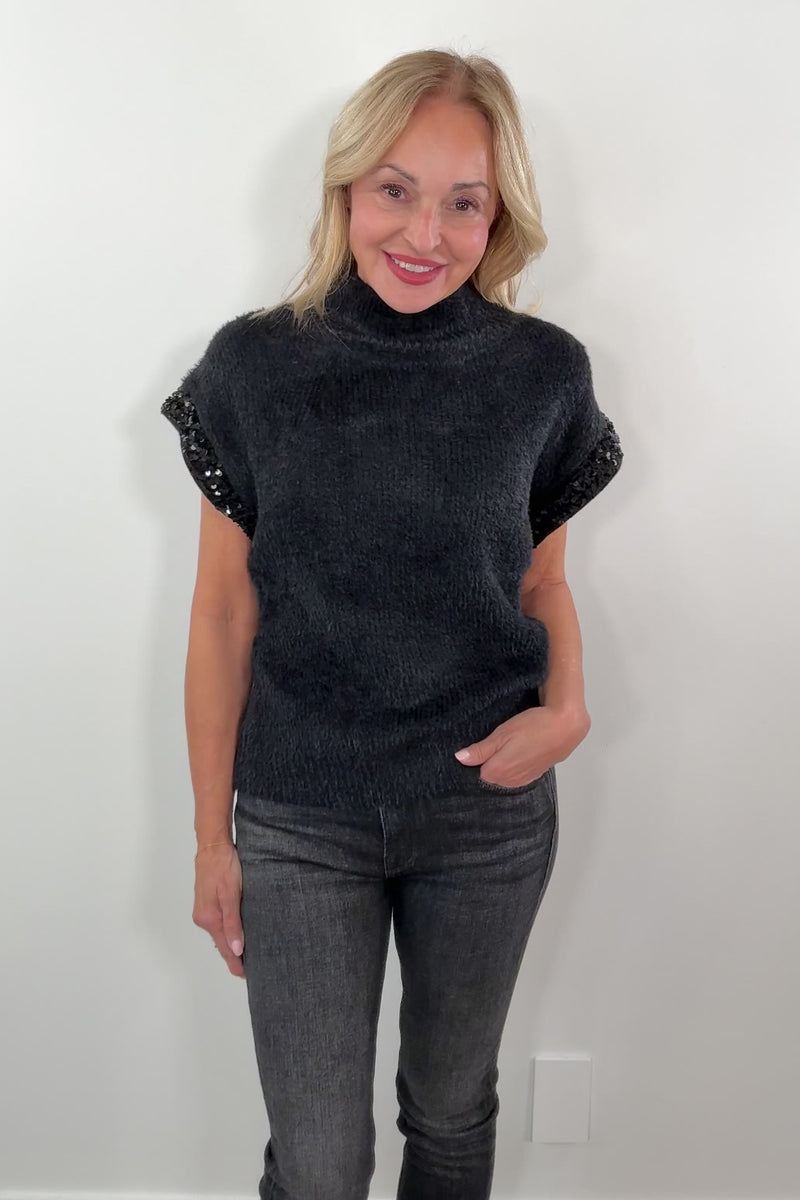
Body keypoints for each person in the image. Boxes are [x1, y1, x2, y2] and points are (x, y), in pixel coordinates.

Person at [161, 47, 623, 1200]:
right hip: (298, 816)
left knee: (450, 1112)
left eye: (463, 201)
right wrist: (212, 839)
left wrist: (567, 709)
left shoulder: (540, 374)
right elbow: (222, 612)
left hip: (483, 814)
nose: (425, 232)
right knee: (319, 1163)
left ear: (497, 215)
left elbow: (540, 585)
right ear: (346, 190)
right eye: (395, 190)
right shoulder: (254, 366)